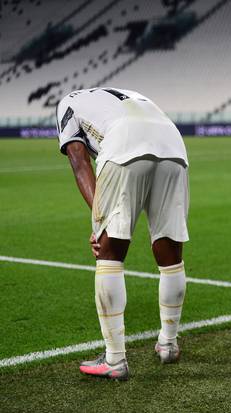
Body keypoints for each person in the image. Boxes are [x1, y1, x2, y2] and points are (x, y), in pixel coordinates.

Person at [56, 87, 190, 380]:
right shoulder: (125, 93)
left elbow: (79, 160)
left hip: (125, 141)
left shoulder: (68, 101)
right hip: (173, 143)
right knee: (169, 250)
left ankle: (115, 360)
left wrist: (98, 220)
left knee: (110, 252)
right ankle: (168, 344)